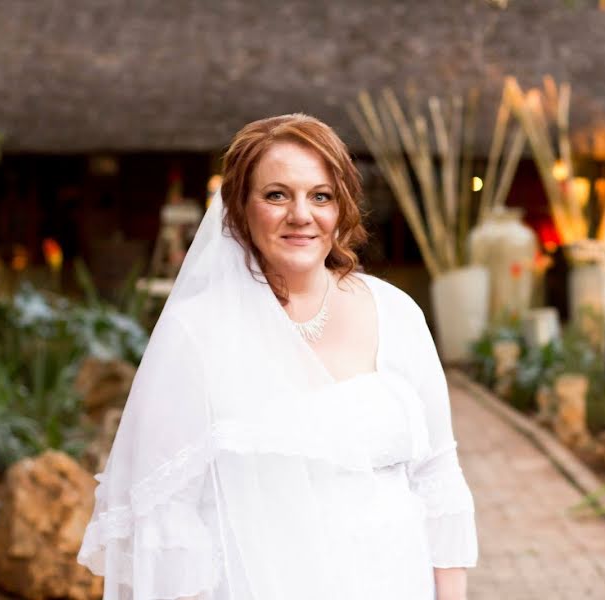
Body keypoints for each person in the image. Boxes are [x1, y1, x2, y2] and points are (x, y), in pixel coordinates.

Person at [77, 114, 478, 599]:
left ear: (342, 207)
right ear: (241, 209)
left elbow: (438, 476)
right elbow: (166, 513)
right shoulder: (197, 333)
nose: (301, 214)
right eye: (276, 195)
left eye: (321, 195)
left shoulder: (397, 314)